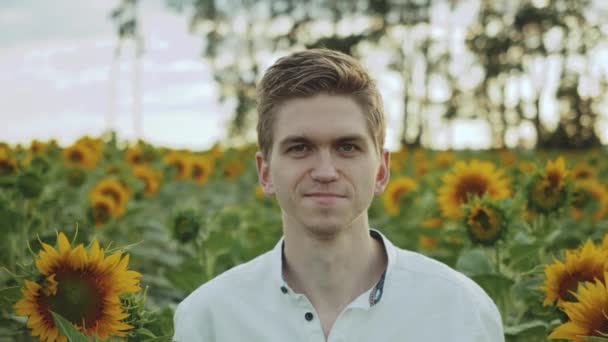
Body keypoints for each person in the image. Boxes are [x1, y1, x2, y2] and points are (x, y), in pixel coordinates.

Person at [172, 48, 504, 341]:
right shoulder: (209, 319)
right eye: (300, 148)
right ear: (265, 172)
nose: (326, 171)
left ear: (381, 170)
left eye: (348, 147)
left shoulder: (459, 311)